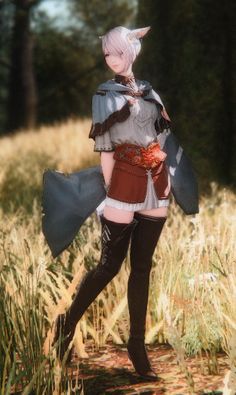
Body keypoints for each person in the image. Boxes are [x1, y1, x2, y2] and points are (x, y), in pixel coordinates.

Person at [52, 25, 194, 380]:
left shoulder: (150, 93)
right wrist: (111, 188)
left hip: (155, 180)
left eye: (118, 52)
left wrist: (168, 174)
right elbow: (105, 149)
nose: (113, 59)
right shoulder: (105, 95)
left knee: (142, 267)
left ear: (132, 51)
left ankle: (136, 345)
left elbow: (164, 138)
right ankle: (64, 326)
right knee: (109, 266)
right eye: (107, 55)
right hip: (123, 181)